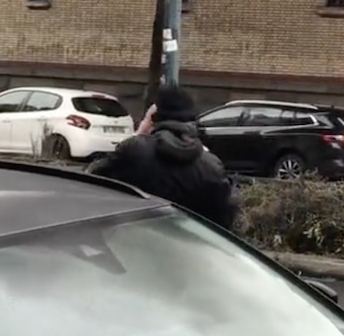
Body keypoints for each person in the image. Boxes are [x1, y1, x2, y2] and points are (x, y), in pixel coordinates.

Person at [88, 86, 238, 229]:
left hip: (132, 240)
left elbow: (91, 178)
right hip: (188, 247)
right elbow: (225, 217)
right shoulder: (211, 164)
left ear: (153, 119)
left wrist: (138, 135)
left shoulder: (134, 150)